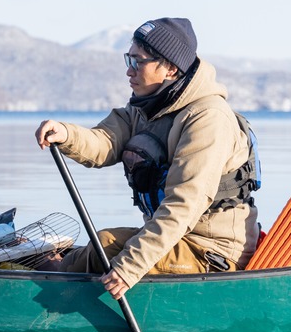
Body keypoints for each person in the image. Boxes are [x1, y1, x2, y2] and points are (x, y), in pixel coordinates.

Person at [35, 17, 259, 300]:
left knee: (105, 248)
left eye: (137, 61)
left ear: (170, 68)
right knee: (99, 247)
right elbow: (105, 141)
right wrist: (66, 134)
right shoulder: (146, 105)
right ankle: (54, 270)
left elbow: (182, 206)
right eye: (128, 59)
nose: (129, 71)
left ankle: (47, 280)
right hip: (175, 241)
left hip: (210, 252)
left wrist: (129, 268)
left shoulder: (207, 119)